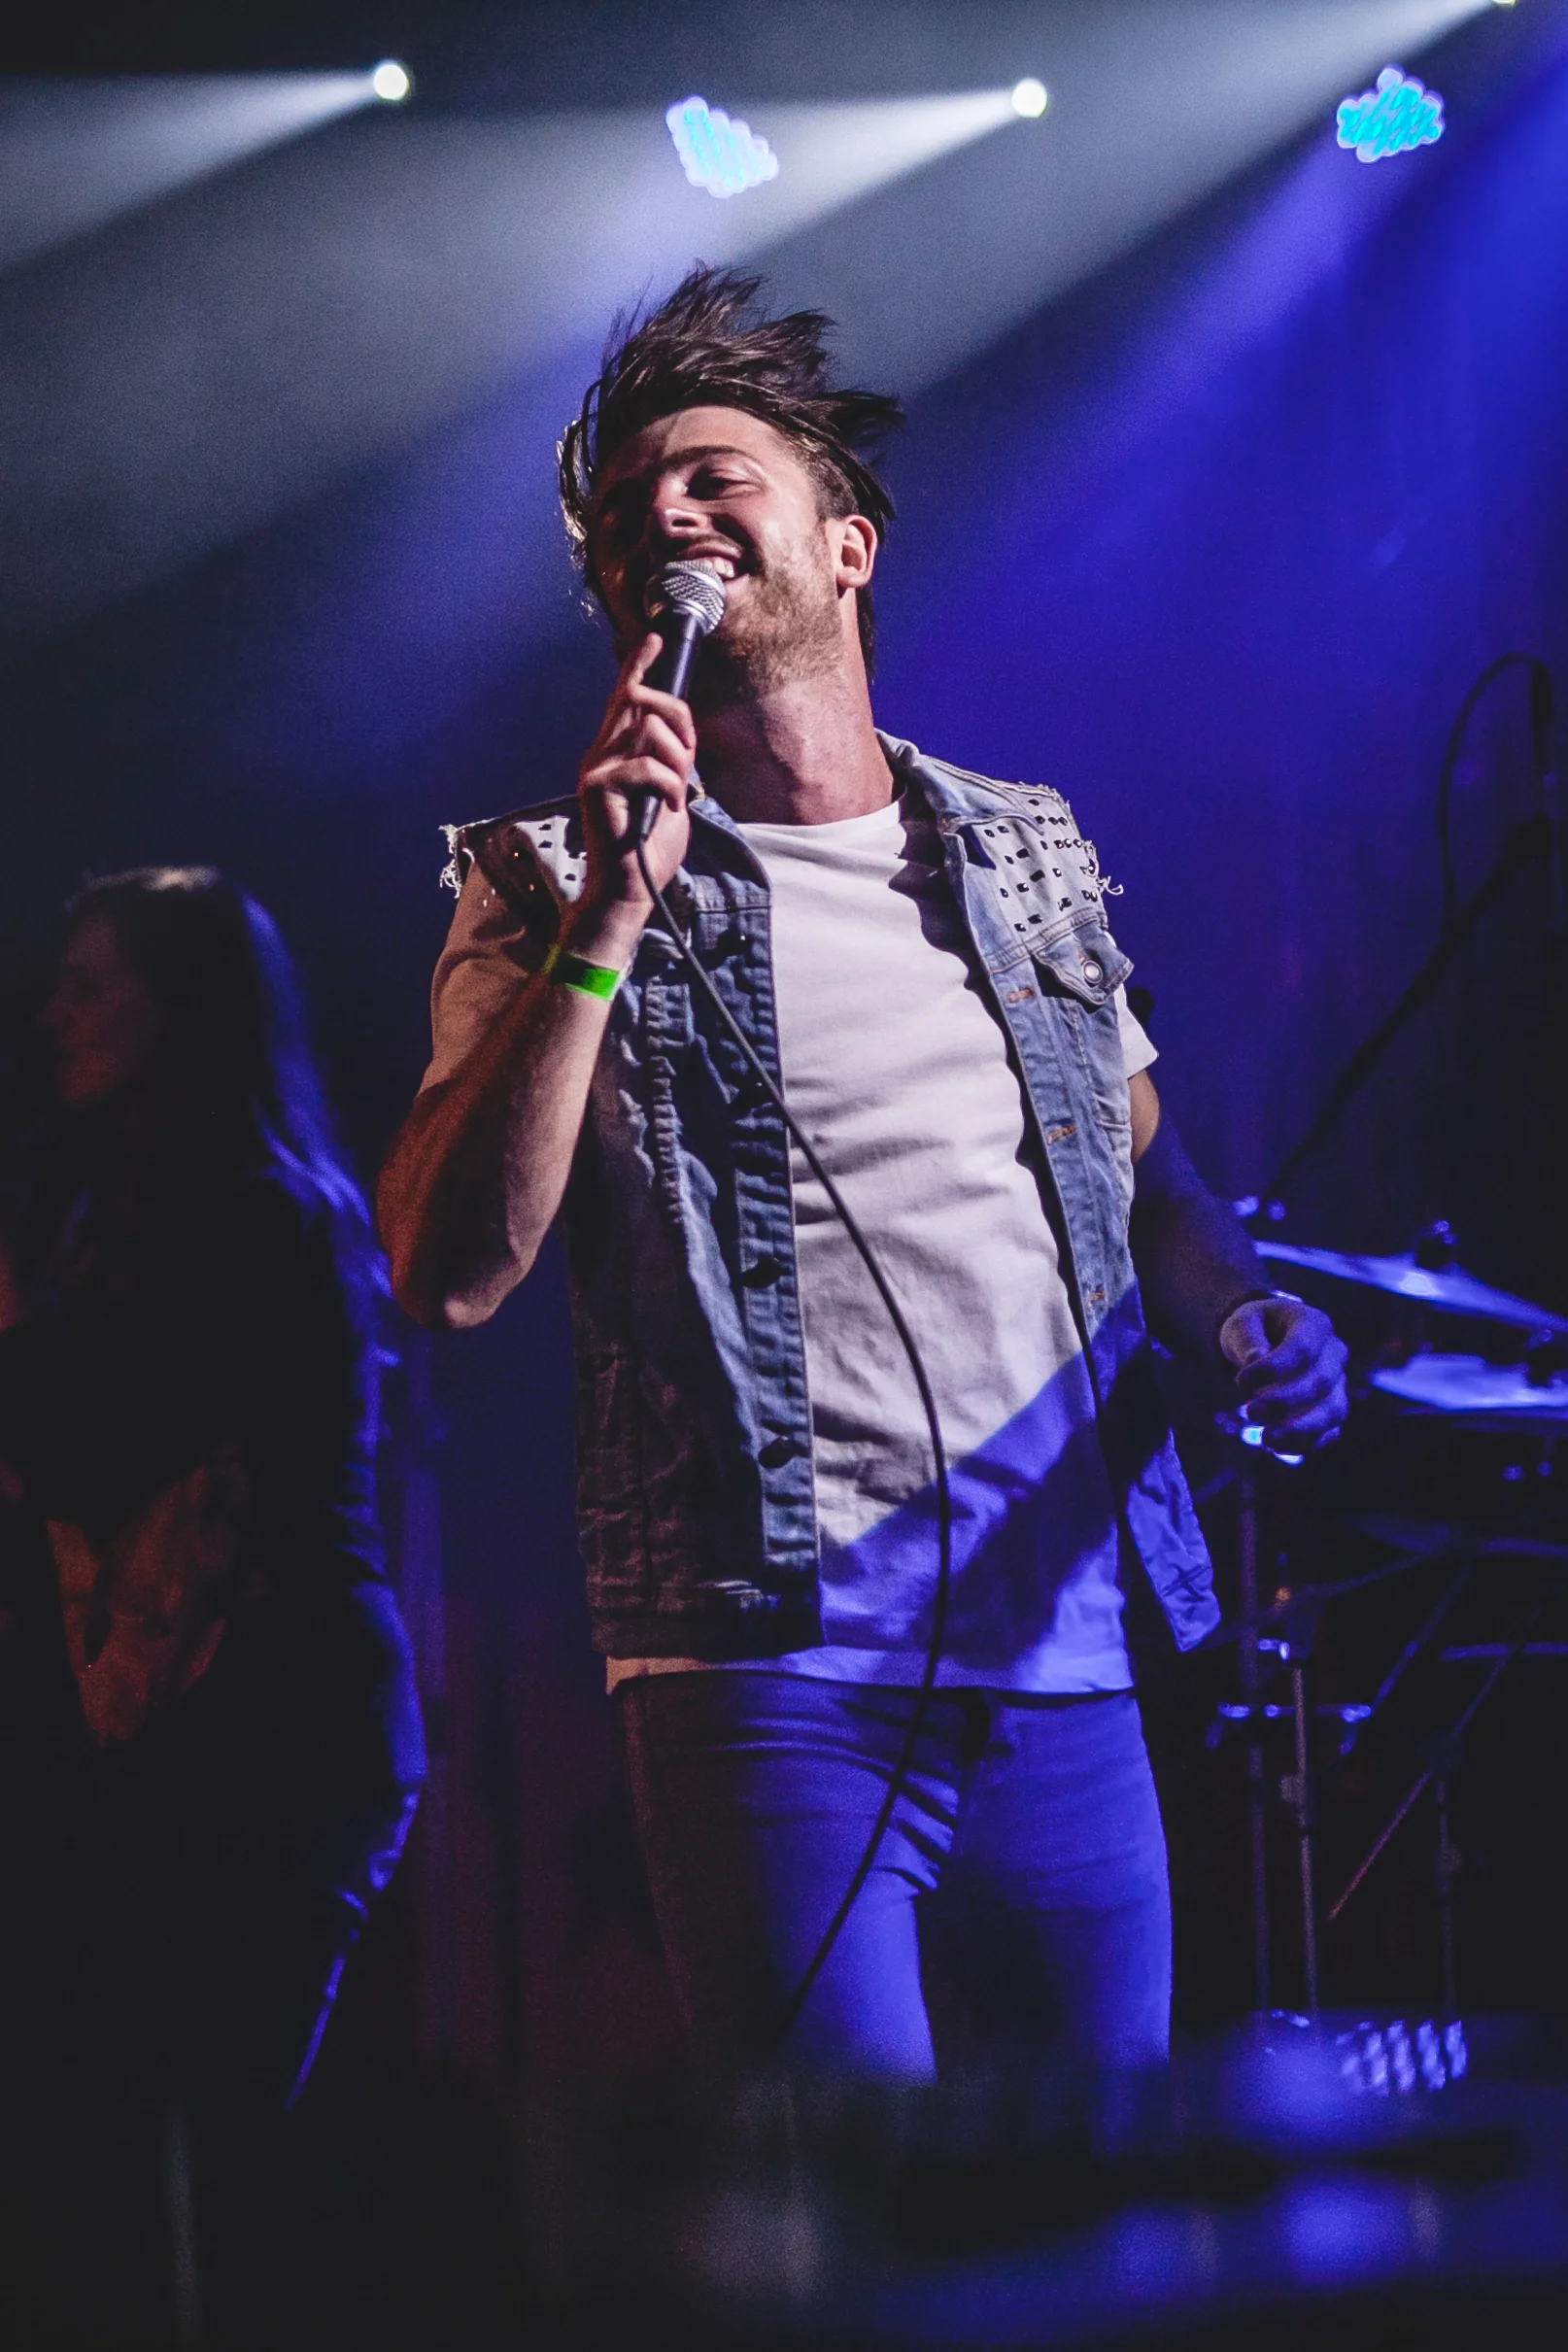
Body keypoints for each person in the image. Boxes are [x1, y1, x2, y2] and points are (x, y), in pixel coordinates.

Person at [379, 267, 1347, 2080]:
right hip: (771, 1678)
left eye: (710, 477)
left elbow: (1151, 1193)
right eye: (624, 515)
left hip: (1063, 1654)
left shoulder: (1018, 851)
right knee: (857, 2204)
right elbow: (445, 1266)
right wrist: (607, 922)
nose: (662, 519)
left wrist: (1243, 1317)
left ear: (846, 548)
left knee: (1099, 2194)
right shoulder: (538, 880)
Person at [0, 869, 425, 2105]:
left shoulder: (269, 1220)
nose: (53, 1017)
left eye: (90, 988)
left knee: (195, 2126)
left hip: (285, 1734)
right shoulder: (102, 1228)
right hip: (180, 1735)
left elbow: (82, 1449)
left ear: (182, 1006)